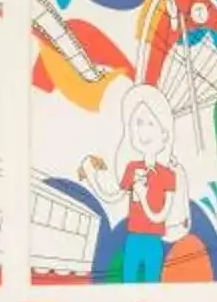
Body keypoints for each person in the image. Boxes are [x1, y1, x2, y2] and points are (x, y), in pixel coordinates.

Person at [77, 83, 188, 284]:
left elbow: (159, 216)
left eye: (150, 124)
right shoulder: (132, 168)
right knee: (127, 286)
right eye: (138, 123)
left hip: (154, 243)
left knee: (152, 288)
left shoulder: (168, 175)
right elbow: (111, 197)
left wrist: (143, 197)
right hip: (133, 240)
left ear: (165, 134)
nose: (143, 131)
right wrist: (91, 176)